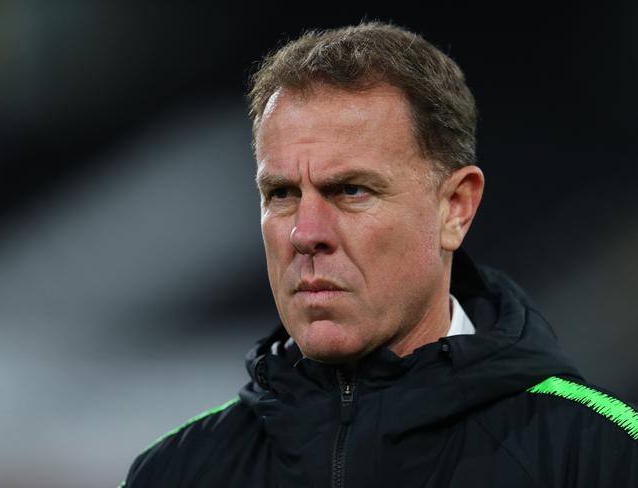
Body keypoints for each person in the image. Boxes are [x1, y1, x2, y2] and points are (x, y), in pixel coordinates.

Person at [121, 21, 637, 487]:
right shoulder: (175, 471)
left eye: (350, 190)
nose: (305, 232)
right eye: (281, 194)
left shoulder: (598, 453)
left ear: (454, 208)